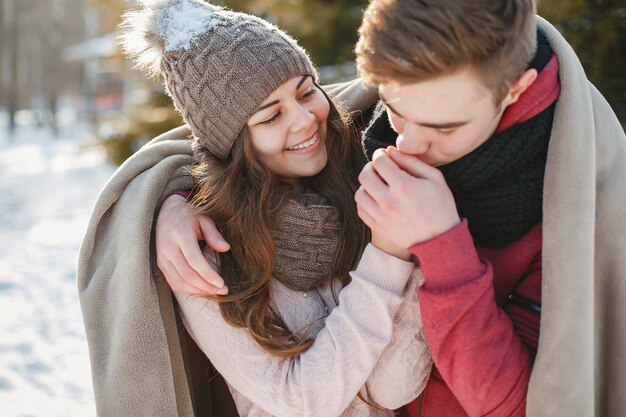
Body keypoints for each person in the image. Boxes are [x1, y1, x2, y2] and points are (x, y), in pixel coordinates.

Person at [153, 0, 626, 416]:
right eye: (396, 110)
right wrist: (167, 201)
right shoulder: (352, 150)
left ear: (515, 90)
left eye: (443, 127)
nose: (408, 145)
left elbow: (514, 402)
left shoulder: (578, 199)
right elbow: (208, 140)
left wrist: (434, 245)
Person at [78, 0, 431, 416]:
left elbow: (394, 388)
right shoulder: (206, 254)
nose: (303, 120)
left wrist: (406, 253)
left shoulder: (359, 180)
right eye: (270, 117)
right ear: (234, 142)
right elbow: (304, 401)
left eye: (305, 92)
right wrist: (387, 255)